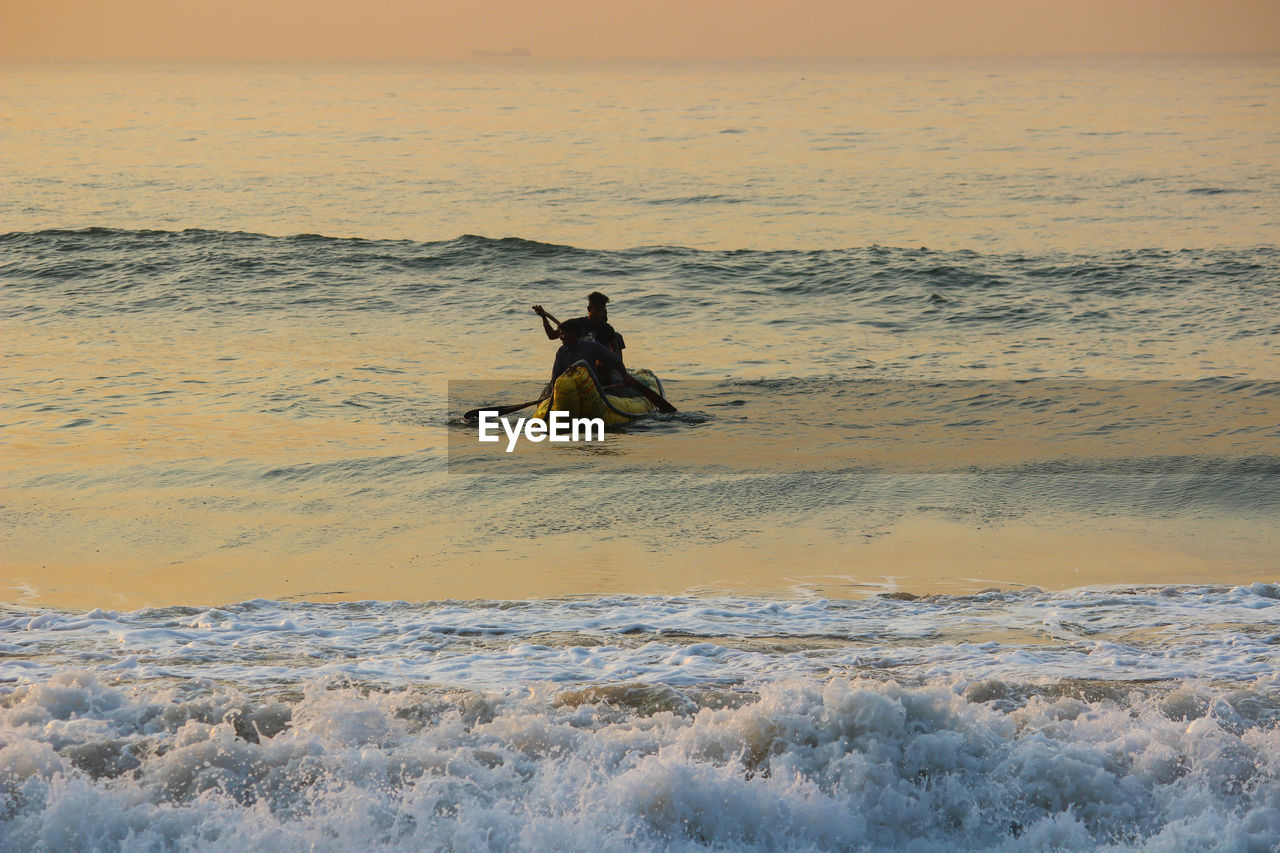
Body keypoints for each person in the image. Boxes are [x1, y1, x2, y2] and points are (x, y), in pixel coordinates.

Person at [532, 291, 626, 356]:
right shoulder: (576, 324)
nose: (599, 314)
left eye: (602, 311)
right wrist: (544, 317)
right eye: (597, 310)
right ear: (589, 309)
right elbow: (552, 336)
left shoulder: (607, 328)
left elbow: (616, 351)